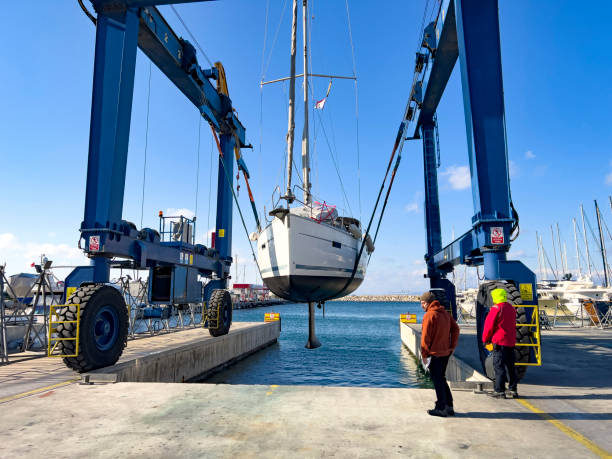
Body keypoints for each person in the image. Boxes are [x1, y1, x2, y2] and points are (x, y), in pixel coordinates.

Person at [420, 291, 460, 417]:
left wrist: (424, 354)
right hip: (445, 353)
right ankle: (449, 406)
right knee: (442, 378)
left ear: (427, 303)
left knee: (438, 381)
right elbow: (456, 329)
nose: (421, 306)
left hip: (434, 353)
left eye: (422, 303)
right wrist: (452, 346)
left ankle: (441, 407)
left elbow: (425, 337)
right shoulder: (445, 314)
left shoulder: (429, 315)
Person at [482, 288, 519, 399]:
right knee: (511, 367)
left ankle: (499, 391)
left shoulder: (496, 308)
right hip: (510, 342)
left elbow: (489, 326)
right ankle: (513, 389)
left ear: (496, 297)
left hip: (499, 342)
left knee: (499, 367)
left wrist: (485, 339)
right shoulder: (511, 308)